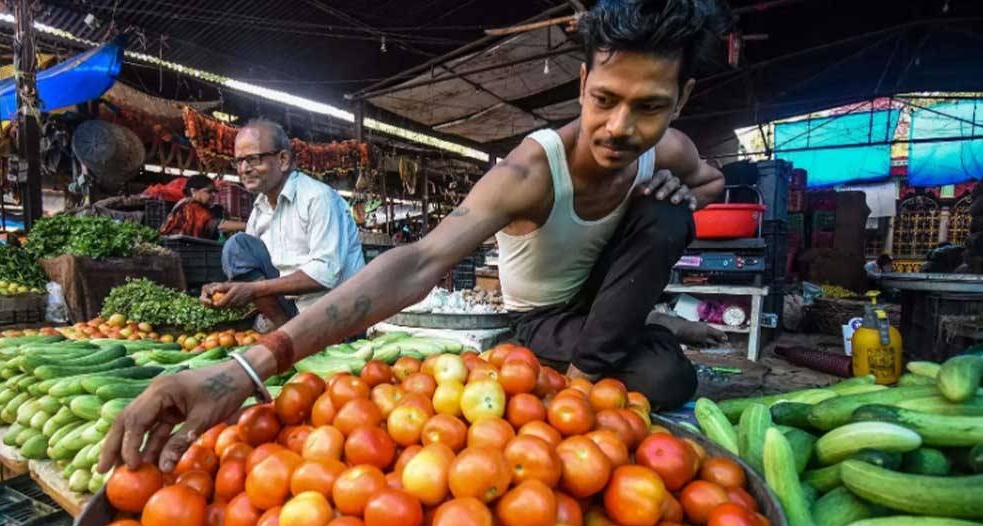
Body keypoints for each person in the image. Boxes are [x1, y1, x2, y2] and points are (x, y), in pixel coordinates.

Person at [99, 0, 730, 474]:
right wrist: (245, 368)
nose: (619, 127)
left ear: (681, 99)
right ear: (583, 82)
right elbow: (419, 262)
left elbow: (713, 182)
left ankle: (595, 371)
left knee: (668, 215)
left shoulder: (669, 150)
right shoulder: (531, 172)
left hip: (600, 307)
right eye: (605, 99)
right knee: (666, 379)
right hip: (542, 320)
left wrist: (673, 192)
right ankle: (611, 360)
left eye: (649, 106)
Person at [199, 119, 366, 329]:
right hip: (294, 310)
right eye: (239, 161)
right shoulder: (259, 211)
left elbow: (325, 274)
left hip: (336, 313)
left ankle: (291, 334)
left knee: (240, 247)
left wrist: (254, 290)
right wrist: (222, 289)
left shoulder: (318, 198)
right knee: (238, 247)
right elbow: (251, 276)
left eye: (253, 159)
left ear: (283, 160)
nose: (244, 169)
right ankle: (286, 330)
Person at [159, 175, 223, 239]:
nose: (213, 195)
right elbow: (209, 222)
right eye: (209, 191)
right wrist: (226, 225)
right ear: (193, 191)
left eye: (214, 192)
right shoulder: (189, 206)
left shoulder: (185, 203)